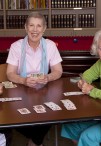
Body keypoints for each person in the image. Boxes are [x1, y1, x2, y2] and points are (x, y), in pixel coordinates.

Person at [6, 11, 63, 146]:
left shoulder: (50, 45)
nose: (35, 30)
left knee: (53, 113)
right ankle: (37, 142)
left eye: (38, 26)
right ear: (26, 28)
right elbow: (10, 73)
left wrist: (48, 77)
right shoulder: (16, 46)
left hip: (44, 90)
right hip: (21, 89)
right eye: (31, 25)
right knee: (12, 116)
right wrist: (23, 80)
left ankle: (34, 142)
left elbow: (58, 71)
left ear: (44, 28)